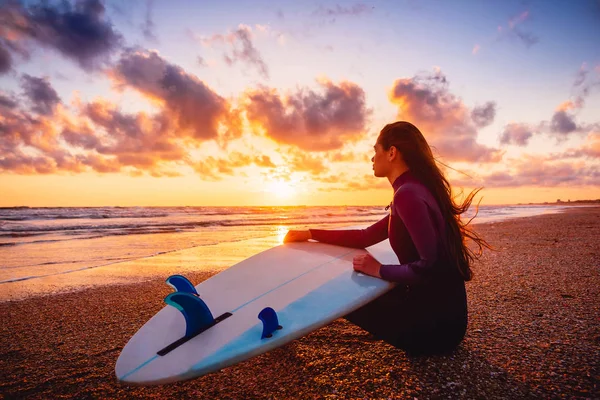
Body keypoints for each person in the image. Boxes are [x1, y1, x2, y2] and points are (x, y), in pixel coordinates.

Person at [284, 121, 490, 355]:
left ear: (392, 152)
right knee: (360, 285)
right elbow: (366, 236)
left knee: (342, 296)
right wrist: (311, 233)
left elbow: (429, 267)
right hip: (449, 322)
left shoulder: (407, 195)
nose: (372, 158)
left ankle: (285, 323)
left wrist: (379, 269)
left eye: (375, 150)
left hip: (433, 331)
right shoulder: (414, 190)